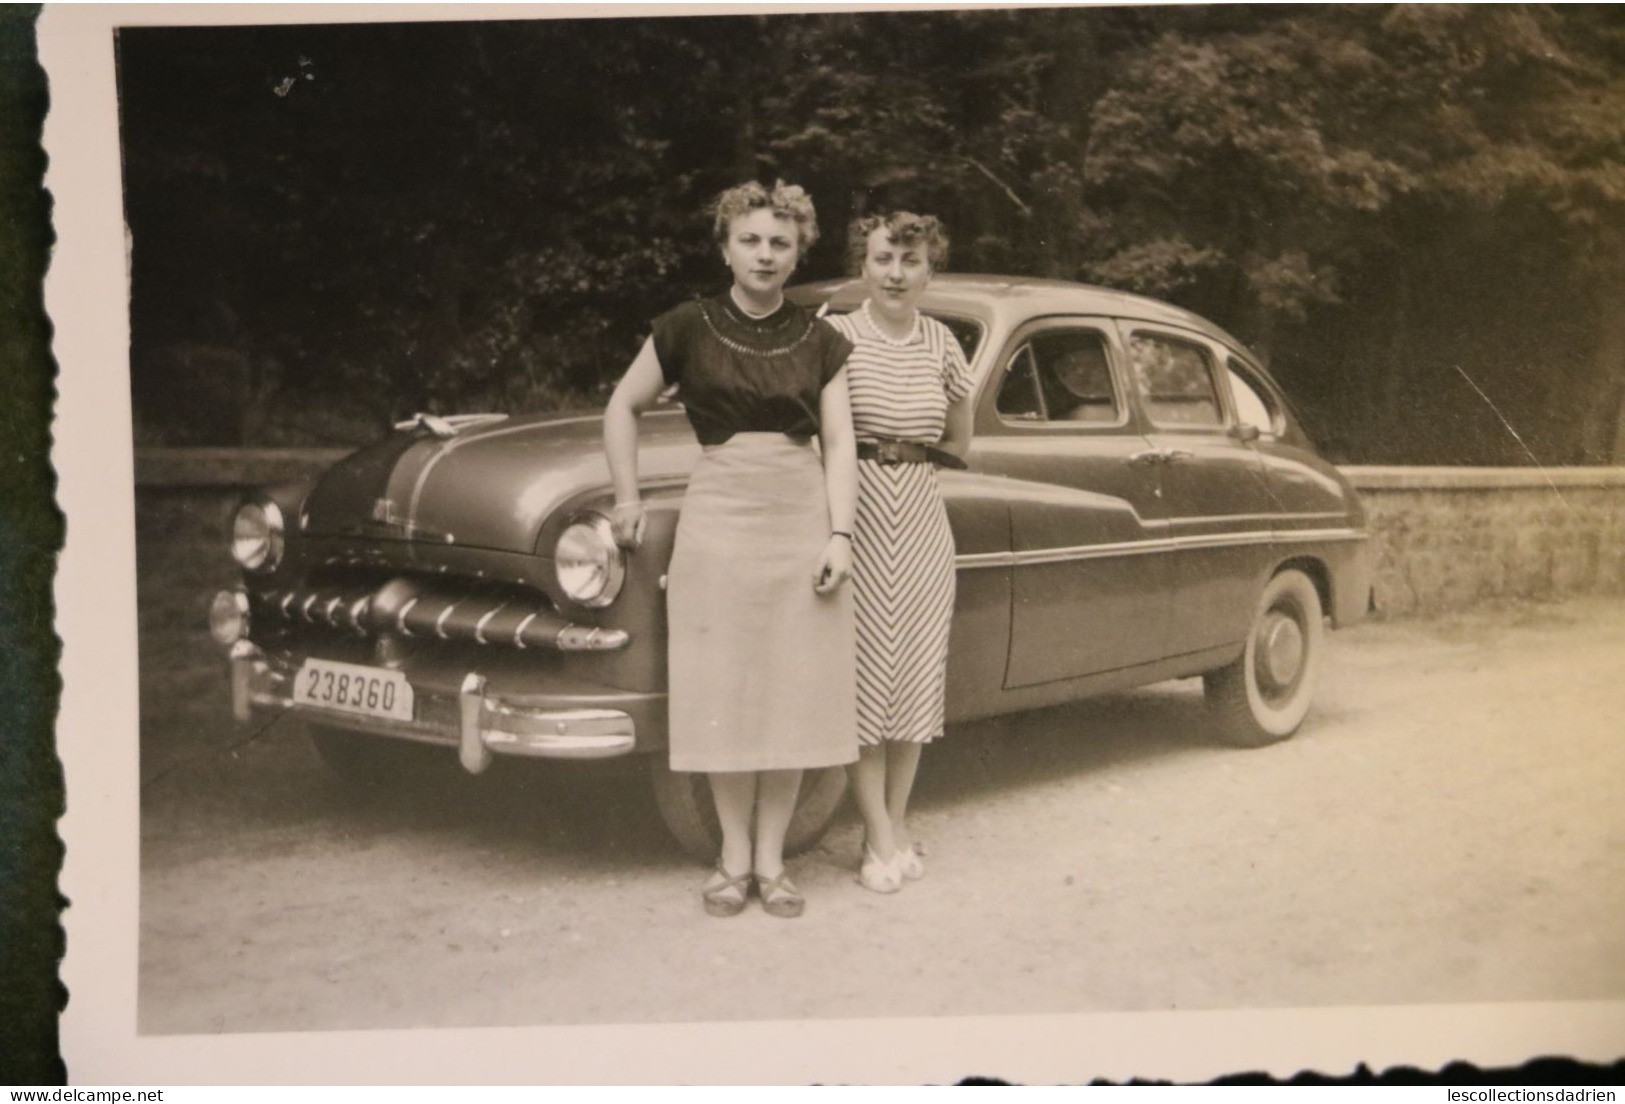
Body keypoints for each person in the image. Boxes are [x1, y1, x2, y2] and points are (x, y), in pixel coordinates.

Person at [602, 181, 858, 919]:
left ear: (797, 251)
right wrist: (624, 498)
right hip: (717, 519)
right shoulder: (685, 326)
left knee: (790, 697)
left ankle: (773, 863)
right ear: (724, 247)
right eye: (749, 240)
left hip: (798, 521)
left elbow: (839, 441)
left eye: (780, 243)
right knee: (724, 694)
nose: (765, 255)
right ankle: (730, 859)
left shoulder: (821, 339)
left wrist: (839, 533)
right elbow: (621, 405)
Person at [823, 211, 975, 893]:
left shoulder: (941, 341)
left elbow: (960, 437)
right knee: (863, 677)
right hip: (855, 511)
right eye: (883, 258)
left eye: (909, 261)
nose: (894, 273)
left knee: (912, 675)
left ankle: (895, 821)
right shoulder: (835, 335)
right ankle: (878, 835)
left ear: (928, 271)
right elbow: (818, 440)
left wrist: (917, 463)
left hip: (918, 514)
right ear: (863, 264)